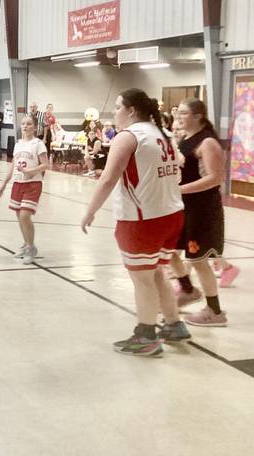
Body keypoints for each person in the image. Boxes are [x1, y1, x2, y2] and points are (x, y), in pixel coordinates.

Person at [81, 89, 190, 357]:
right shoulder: (162, 133)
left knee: (142, 279)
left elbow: (108, 178)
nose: (114, 112)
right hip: (172, 213)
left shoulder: (128, 137)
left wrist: (90, 210)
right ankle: (174, 323)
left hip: (143, 219)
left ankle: (146, 336)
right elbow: (180, 164)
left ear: (130, 111)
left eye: (118, 107)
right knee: (156, 273)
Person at [169, 98, 237, 324]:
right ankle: (188, 290)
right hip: (184, 207)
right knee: (169, 250)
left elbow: (214, 178)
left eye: (184, 113)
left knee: (199, 261)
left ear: (198, 116)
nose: (179, 117)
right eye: (178, 113)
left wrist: (180, 189)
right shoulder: (186, 138)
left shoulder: (208, 142)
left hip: (203, 209)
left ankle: (215, 311)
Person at [0, 115, 48, 264]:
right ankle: (26, 244)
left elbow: (45, 165)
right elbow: (12, 165)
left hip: (33, 184)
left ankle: (32, 248)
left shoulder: (38, 144)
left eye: (29, 124)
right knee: (20, 217)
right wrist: (4, 183)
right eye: (23, 124)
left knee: (25, 216)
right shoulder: (18, 144)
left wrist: (32, 170)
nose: (25, 126)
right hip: (18, 183)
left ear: (35, 127)